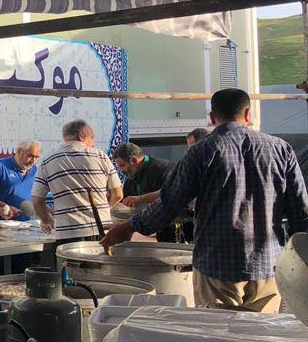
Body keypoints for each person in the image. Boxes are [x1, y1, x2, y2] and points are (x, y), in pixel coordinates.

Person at [102, 88, 308, 312]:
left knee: (216, 331)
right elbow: (300, 212)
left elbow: (169, 203)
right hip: (267, 266)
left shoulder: (202, 152)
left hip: (216, 267)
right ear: (248, 114)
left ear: (212, 117)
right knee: (262, 332)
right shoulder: (281, 150)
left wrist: (129, 226)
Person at [32, 119, 123, 247]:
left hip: (67, 233)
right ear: (82, 135)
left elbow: (37, 200)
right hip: (101, 229)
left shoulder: (47, 161)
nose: (93, 143)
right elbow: (118, 194)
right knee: (100, 260)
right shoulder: (100, 156)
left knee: (70, 260)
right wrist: (103, 210)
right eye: (92, 138)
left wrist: (46, 220)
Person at [0, 139, 41, 219]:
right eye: (30, 156)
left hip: (29, 223)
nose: (33, 161)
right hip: (4, 222)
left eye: (36, 157)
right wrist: (5, 206)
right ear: (19, 151)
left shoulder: (34, 169)